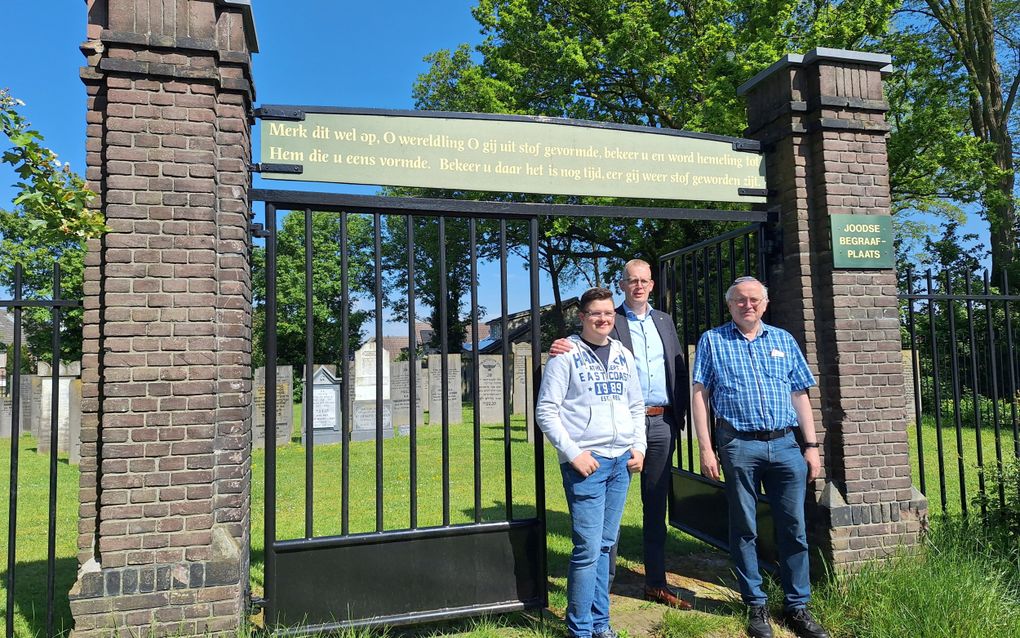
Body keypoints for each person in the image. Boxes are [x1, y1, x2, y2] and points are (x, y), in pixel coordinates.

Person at [690, 276, 829, 638]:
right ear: (730, 304)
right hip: (739, 445)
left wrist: (811, 447)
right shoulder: (712, 341)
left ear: (765, 304)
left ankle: (798, 605)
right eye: (739, 300)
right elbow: (700, 395)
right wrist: (707, 447)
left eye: (753, 299)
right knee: (745, 527)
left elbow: (800, 395)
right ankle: (755, 603)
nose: (747, 305)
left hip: (785, 445)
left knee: (794, 527)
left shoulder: (783, 340)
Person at [550, 259, 691, 609]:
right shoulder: (610, 318)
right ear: (623, 285)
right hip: (619, 426)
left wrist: (679, 416)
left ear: (652, 285)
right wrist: (559, 343)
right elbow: (585, 342)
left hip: (660, 422)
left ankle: (656, 583)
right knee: (607, 513)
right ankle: (604, 585)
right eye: (632, 281)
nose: (639, 286)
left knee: (655, 504)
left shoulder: (664, 321)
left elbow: (675, 366)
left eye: (644, 280)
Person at [536, 286, 647, 638]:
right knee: (587, 549)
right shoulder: (565, 355)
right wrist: (574, 453)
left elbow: (635, 405)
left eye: (609, 314)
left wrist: (639, 447)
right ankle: (580, 628)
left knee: (604, 546)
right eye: (596, 314)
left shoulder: (623, 355)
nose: (603, 319)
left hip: (620, 463)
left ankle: (601, 623)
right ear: (582, 317)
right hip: (588, 463)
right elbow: (546, 411)